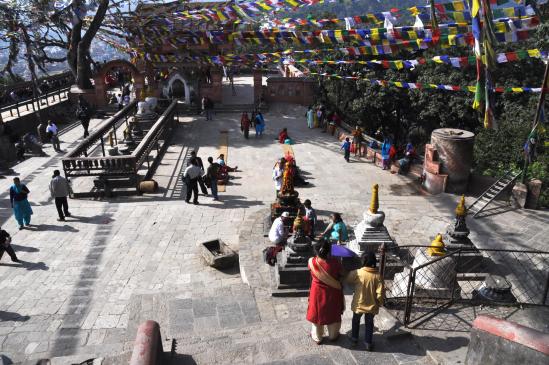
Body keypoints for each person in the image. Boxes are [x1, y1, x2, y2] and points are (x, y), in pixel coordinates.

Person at [306, 239, 345, 344]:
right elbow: (342, 275)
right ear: (329, 251)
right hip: (332, 292)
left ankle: (317, 337)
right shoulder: (335, 263)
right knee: (333, 314)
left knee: (317, 314)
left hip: (316, 292)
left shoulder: (312, 262)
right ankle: (333, 335)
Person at [346, 252, 384, 351]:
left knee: (355, 321)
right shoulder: (378, 276)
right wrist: (380, 303)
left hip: (359, 304)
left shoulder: (357, 272)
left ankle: (354, 338)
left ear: (363, 261)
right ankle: (368, 343)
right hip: (371, 306)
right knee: (369, 324)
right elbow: (380, 293)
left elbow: (348, 280)